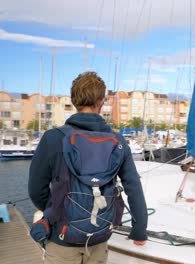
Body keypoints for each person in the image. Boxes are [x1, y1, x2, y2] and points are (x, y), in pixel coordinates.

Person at [29, 71, 148, 263]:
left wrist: (56, 211)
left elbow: (36, 190)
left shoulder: (53, 138)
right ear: (102, 101)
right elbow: (133, 187)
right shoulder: (117, 141)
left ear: (75, 100)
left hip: (62, 239)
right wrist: (139, 229)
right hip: (99, 237)